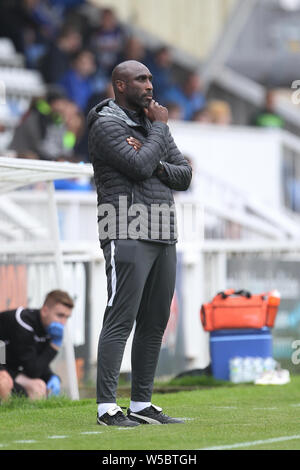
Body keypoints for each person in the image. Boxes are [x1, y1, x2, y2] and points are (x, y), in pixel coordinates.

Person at [87, 59, 192, 426]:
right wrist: (159, 134)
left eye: (150, 78)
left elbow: (184, 175)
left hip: (162, 228)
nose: (150, 85)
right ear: (119, 85)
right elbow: (137, 167)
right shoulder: (106, 124)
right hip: (125, 227)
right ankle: (106, 408)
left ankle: (142, 404)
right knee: (121, 317)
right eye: (140, 79)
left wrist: (156, 154)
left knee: (155, 321)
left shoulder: (151, 125)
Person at [0, 290, 74, 401]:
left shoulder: (49, 329)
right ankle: (6, 417)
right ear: (45, 311)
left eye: (66, 317)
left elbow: (35, 362)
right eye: (60, 315)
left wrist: (51, 376)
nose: (63, 322)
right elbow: (32, 370)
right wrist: (54, 345)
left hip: (9, 367)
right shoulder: (23, 322)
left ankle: (26, 417)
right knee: (4, 381)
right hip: (2, 365)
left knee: (38, 387)